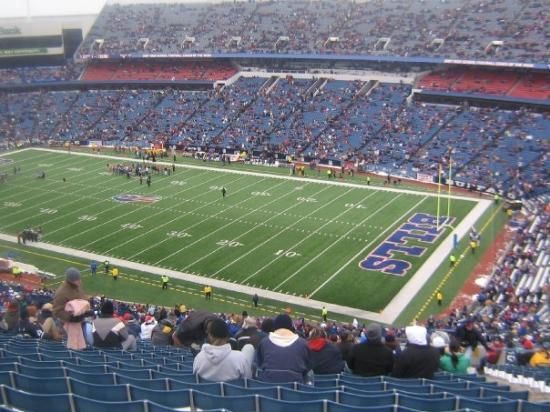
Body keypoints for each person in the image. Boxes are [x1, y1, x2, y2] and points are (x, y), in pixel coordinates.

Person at [256, 314, 311, 383]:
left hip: (269, 388)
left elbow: (259, 365)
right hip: (295, 389)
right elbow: (307, 367)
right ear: (290, 327)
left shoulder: (264, 342)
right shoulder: (302, 343)